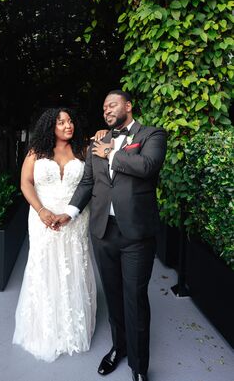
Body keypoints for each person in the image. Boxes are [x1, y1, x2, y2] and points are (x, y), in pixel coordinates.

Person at [53, 90, 167, 381]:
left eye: (112, 104)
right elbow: (88, 183)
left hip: (136, 234)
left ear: (128, 106)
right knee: (114, 295)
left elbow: (147, 167)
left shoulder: (152, 134)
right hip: (103, 231)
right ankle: (119, 347)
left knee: (135, 298)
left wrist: (112, 153)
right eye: (103, 107)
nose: (107, 110)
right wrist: (70, 212)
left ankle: (139, 367)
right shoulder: (97, 141)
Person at [13, 107, 98, 362]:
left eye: (70, 121)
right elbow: (25, 183)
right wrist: (40, 210)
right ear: (51, 126)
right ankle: (46, 327)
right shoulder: (36, 152)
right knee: (45, 263)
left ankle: (73, 325)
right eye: (61, 122)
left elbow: (89, 182)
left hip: (75, 218)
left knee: (74, 263)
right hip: (42, 218)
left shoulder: (82, 150)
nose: (67, 126)